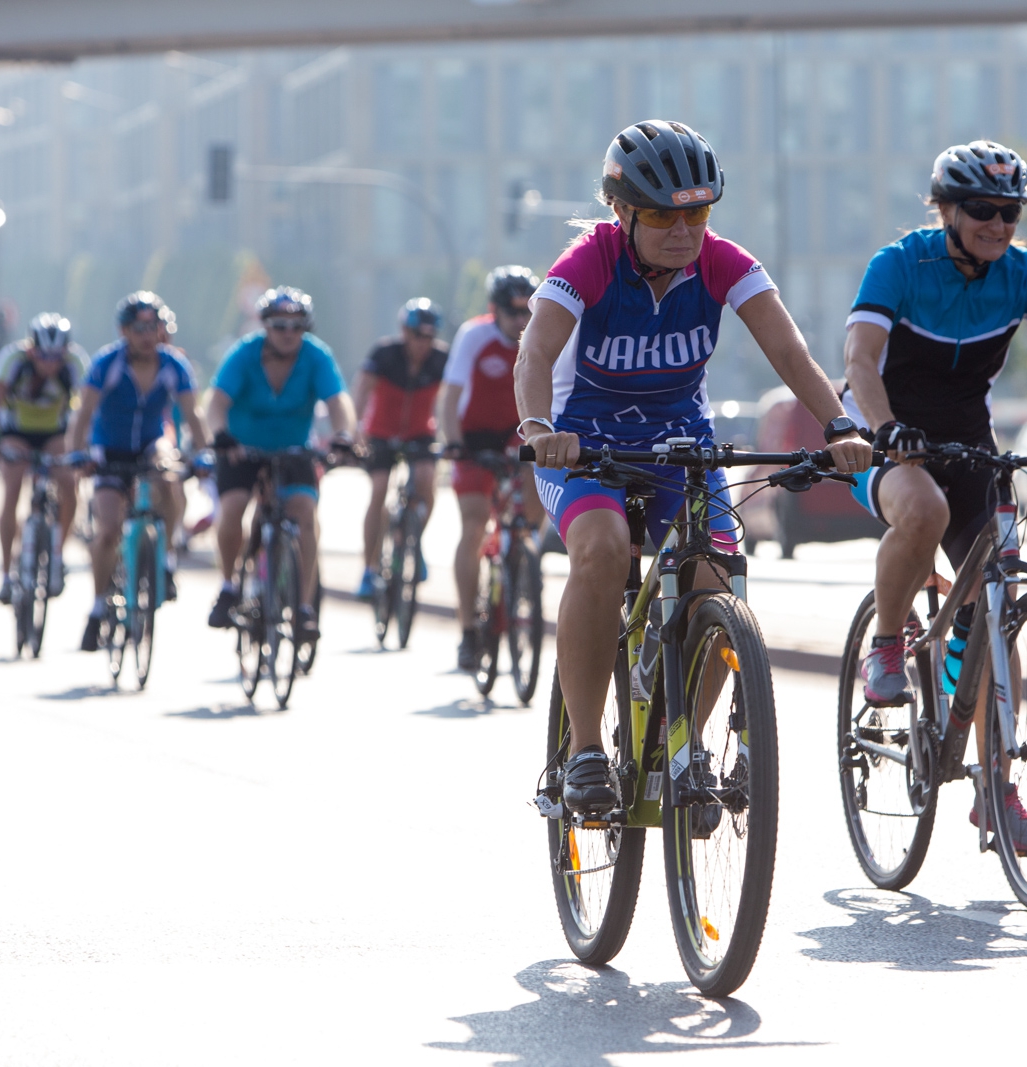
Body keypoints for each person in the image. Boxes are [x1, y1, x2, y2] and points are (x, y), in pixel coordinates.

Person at [516, 121, 872, 813]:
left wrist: (838, 424)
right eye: (662, 216)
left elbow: (791, 354)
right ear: (622, 213)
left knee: (719, 574)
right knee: (602, 547)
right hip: (586, 443)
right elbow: (534, 355)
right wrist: (538, 428)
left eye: (698, 213)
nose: (684, 232)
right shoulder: (587, 263)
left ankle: (687, 745)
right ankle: (586, 750)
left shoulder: (723, 262)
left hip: (681, 438)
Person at [840, 141, 1027, 850]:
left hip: (966, 441)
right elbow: (859, 360)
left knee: (995, 601)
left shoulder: (1021, 274)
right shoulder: (898, 265)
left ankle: (994, 789)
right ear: (945, 209)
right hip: (877, 432)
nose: (998, 224)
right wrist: (886, 430)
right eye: (981, 209)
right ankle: (885, 646)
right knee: (924, 510)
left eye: (1009, 212)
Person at [204, 286, 357, 632]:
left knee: (305, 512)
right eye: (279, 325)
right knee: (233, 508)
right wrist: (221, 436)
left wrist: (344, 435)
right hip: (242, 450)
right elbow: (215, 404)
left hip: (293, 450)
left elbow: (338, 402)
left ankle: (304, 607)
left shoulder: (316, 356)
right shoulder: (244, 354)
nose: (288, 333)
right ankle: (228, 587)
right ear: (265, 327)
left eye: (296, 326)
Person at [65, 292, 207, 653]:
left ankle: (168, 557)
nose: (148, 335)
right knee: (109, 530)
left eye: (155, 327)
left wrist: (204, 456)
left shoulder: (174, 365)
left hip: (150, 444)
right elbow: (83, 416)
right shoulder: (107, 363)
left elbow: (194, 416)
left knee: (170, 474)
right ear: (125, 331)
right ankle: (98, 607)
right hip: (109, 450)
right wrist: (78, 454)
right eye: (140, 328)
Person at [440, 265, 548, 672]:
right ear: (494, 309)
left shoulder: (544, 333)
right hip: (474, 437)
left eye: (528, 312)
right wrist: (453, 444)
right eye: (512, 311)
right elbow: (450, 398)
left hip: (520, 434)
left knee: (535, 507)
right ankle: (469, 630)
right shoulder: (474, 336)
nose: (521, 320)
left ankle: (521, 562)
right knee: (472, 525)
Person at [0, 313, 88, 604]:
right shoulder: (12, 360)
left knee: (68, 483)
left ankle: (57, 554)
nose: (50, 364)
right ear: (31, 350)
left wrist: (88, 444)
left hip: (55, 432)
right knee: (12, 487)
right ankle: (5, 573)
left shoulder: (76, 364)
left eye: (56, 357)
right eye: (43, 356)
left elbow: (89, 409)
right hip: (17, 430)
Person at [352, 297, 447, 599]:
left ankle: (412, 541)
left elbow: (452, 397)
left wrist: (448, 435)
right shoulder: (385, 353)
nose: (424, 343)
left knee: (426, 481)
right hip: (380, 432)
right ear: (405, 332)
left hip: (420, 432)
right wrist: (356, 429)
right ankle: (368, 569)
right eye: (418, 336)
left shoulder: (441, 359)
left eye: (430, 337)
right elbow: (363, 389)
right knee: (379, 489)